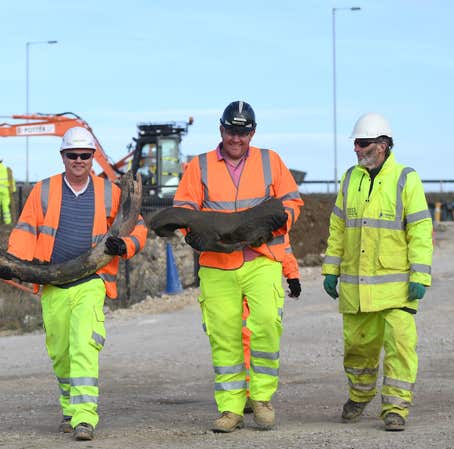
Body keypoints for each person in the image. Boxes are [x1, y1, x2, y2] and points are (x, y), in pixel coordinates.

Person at [0, 126, 147, 441]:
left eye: (85, 155)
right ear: (63, 156)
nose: (79, 160)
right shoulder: (43, 190)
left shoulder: (110, 191)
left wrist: (126, 245)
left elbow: (137, 224)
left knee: (83, 345)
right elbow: (26, 230)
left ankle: (84, 418)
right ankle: (69, 409)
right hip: (52, 284)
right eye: (72, 155)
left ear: (92, 157)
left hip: (91, 281)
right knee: (60, 352)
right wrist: (12, 263)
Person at [173, 100, 303, 432]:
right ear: (221, 130)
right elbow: (184, 207)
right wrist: (192, 233)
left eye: (243, 132)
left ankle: (260, 398)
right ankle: (230, 409)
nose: (236, 138)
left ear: (252, 133)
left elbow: (292, 201)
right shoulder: (199, 166)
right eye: (231, 131)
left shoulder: (269, 161)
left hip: (261, 259)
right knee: (224, 335)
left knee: (266, 324)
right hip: (217, 263)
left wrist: (276, 225)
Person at [321, 113, 433, 431]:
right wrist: (331, 269)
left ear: (382, 146)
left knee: (399, 346)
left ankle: (395, 408)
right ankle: (359, 395)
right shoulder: (350, 178)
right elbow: (338, 227)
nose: (356, 149)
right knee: (358, 349)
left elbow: (421, 230)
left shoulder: (405, 178)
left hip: (396, 288)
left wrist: (420, 275)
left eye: (363, 143)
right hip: (357, 289)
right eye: (355, 143)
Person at [242, 246, 301, 413]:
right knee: (240, 336)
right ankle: (246, 393)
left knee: (261, 336)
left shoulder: (271, 220)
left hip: (262, 275)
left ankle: (258, 395)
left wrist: (292, 275)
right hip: (229, 274)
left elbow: (282, 243)